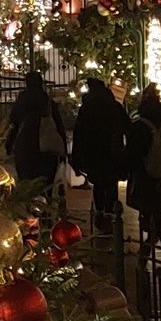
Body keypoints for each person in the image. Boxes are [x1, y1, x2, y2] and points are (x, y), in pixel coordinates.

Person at [69, 78, 127, 230]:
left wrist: (77, 156)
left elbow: (79, 133)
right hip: (111, 150)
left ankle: (101, 211)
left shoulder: (88, 107)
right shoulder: (113, 105)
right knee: (111, 182)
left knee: (99, 183)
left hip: (93, 152)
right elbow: (126, 125)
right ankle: (110, 212)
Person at [125, 85, 161, 237]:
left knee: (149, 210)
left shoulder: (140, 126)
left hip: (145, 176)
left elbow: (132, 155)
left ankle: (149, 245)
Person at [5, 71, 66, 187]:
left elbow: (14, 124)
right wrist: (63, 150)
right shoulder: (47, 101)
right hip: (46, 148)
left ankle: (29, 203)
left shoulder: (22, 101)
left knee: (26, 183)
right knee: (45, 183)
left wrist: (9, 144)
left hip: (25, 146)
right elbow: (58, 124)